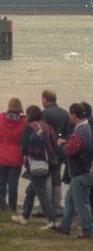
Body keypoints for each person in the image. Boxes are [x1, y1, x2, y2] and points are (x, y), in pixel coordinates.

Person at [51, 101, 93, 238]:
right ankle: (65, 226)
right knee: (69, 200)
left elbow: (70, 151)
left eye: (70, 114)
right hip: (83, 172)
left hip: (80, 173)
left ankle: (88, 230)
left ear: (74, 114)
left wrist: (61, 145)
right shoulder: (85, 128)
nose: (69, 117)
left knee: (82, 203)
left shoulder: (80, 132)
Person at [15, 103, 57, 224]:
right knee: (31, 190)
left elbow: (24, 148)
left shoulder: (29, 127)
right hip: (49, 163)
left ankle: (52, 220)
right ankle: (25, 216)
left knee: (41, 191)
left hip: (35, 164)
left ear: (29, 115)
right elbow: (54, 144)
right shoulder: (48, 126)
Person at [0, 97, 26, 212]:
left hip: (1, 154)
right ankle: (12, 208)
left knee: (0, 185)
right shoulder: (24, 122)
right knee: (13, 185)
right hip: (16, 155)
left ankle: (1, 208)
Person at [40, 88, 71, 214]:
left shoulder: (45, 113)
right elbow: (68, 133)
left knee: (46, 176)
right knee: (56, 175)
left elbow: (43, 132)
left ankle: (46, 208)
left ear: (45, 99)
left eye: (42, 98)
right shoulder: (65, 113)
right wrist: (62, 139)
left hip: (48, 149)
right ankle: (57, 205)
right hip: (60, 149)